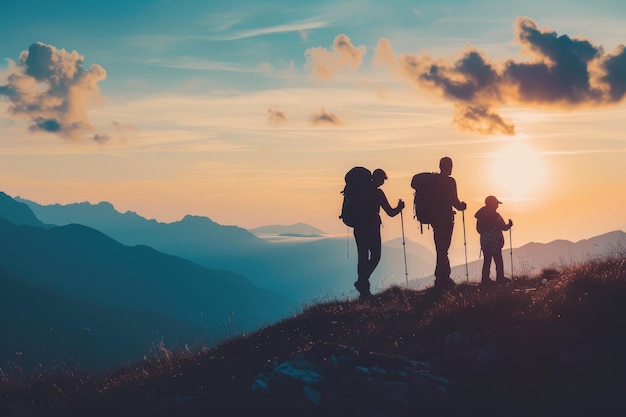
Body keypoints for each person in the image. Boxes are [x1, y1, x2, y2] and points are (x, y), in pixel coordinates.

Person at [353, 168, 405, 298]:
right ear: (379, 179)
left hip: (359, 227)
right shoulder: (377, 193)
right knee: (375, 256)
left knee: (362, 257)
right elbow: (390, 212)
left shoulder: (359, 191)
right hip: (372, 228)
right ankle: (362, 282)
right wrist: (400, 207)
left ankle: (363, 287)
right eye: (382, 180)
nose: (382, 183)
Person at [432, 157, 466, 290]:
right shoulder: (450, 182)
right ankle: (443, 277)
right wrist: (462, 206)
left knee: (440, 247)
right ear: (449, 166)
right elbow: (455, 201)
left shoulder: (434, 181)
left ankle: (440, 276)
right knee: (443, 248)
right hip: (446, 219)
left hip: (435, 219)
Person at [475, 195, 513, 285]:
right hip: (494, 241)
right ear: (493, 205)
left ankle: (485, 279)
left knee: (487, 260)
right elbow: (504, 227)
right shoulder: (496, 216)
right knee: (498, 260)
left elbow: (479, 229)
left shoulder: (481, 216)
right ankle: (500, 278)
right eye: (496, 204)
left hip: (484, 241)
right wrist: (510, 225)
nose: (497, 206)